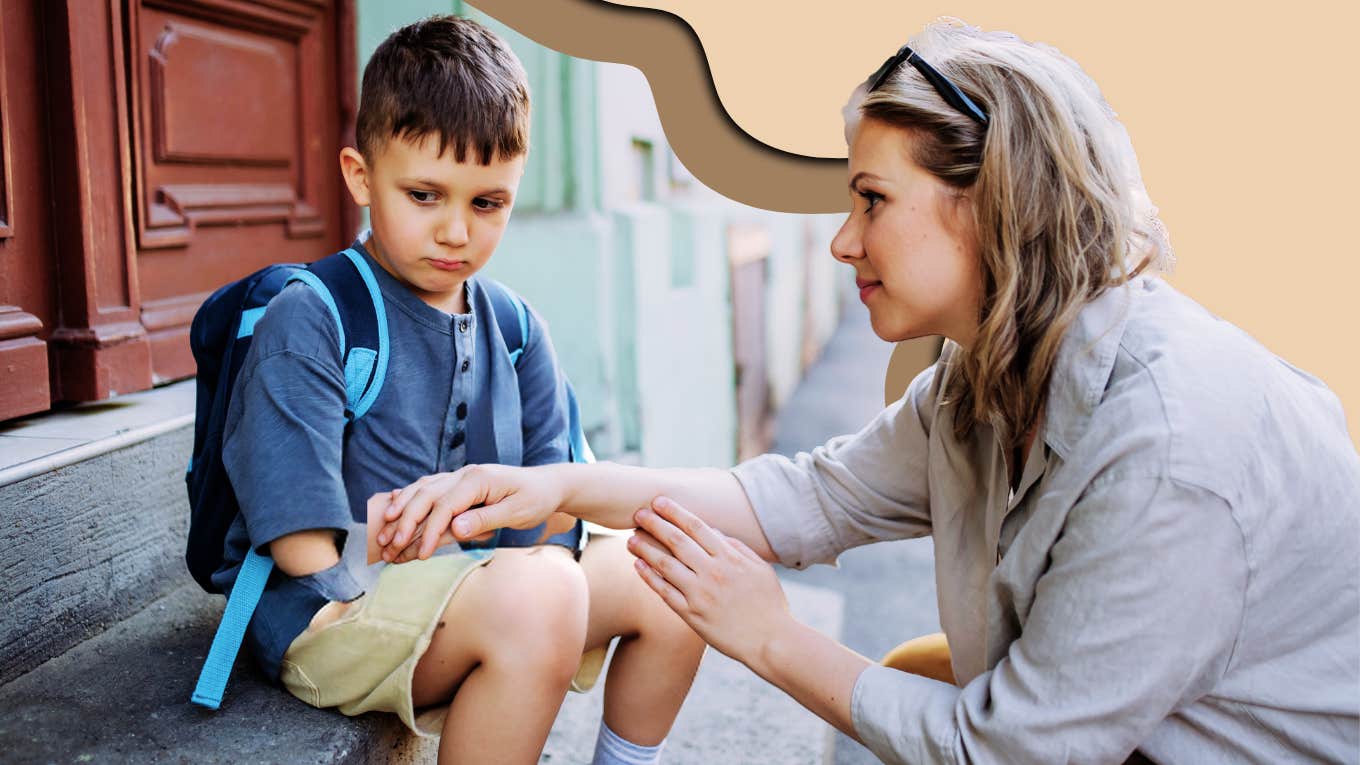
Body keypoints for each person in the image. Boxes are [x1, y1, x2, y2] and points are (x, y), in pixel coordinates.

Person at [373, 19, 1360, 765]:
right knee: (912, 681)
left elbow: (1006, 751)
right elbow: (809, 497)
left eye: (873, 200)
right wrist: (561, 489)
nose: (845, 239)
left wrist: (768, 636)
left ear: (995, 203)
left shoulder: (1168, 448)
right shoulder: (985, 373)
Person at [218, 15, 704, 765]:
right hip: (334, 609)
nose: (456, 232)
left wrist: (500, 529)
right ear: (360, 176)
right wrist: (422, 541)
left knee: (673, 569)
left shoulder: (513, 326)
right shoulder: (313, 316)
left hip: (481, 588)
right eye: (424, 195)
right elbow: (301, 549)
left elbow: (556, 511)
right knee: (542, 596)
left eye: (487, 203)